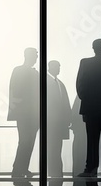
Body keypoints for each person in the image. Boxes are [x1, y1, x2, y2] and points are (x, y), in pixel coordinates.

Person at [76, 38, 101, 177]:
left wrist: (87, 99)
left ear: (93, 47)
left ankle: (91, 168)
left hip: (91, 108)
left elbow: (80, 85)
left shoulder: (85, 63)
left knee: (92, 141)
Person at [7, 47, 40, 178]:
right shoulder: (20, 70)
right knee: (25, 141)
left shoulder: (32, 72)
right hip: (26, 113)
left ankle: (22, 168)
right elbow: (15, 91)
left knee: (28, 141)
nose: (37, 58)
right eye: (35, 55)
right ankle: (18, 169)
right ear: (29, 56)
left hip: (32, 114)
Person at [47, 60, 72, 177]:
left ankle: (56, 171)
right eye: (57, 66)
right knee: (53, 147)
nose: (59, 68)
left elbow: (65, 103)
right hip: (51, 123)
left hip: (59, 123)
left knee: (57, 147)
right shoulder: (47, 82)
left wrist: (68, 118)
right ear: (50, 67)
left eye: (59, 66)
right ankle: (54, 171)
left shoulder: (59, 83)